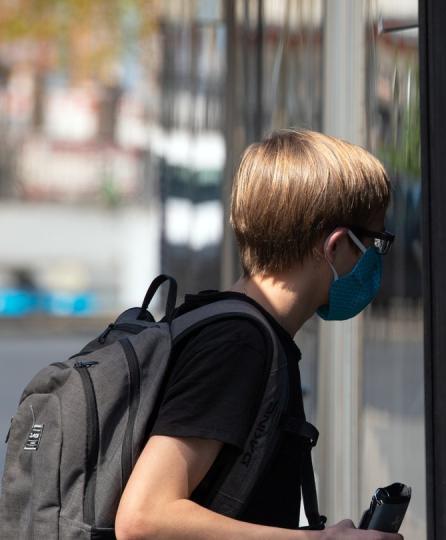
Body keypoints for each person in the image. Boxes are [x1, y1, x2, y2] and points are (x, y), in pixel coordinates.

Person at [115, 129, 400, 539]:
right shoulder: (238, 343)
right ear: (336, 246)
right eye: (375, 242)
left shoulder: (229, 324)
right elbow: (144, 518)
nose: (375, 260)